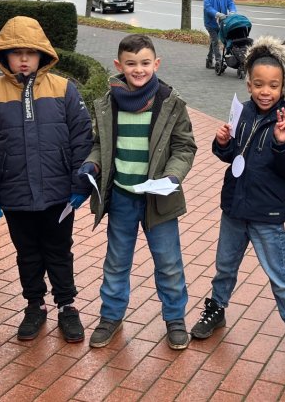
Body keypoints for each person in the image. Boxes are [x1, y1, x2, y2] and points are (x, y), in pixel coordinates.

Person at [191, 35, 285, 373]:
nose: (265, 91)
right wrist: (222, 143)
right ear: (248, 84)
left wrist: (283, 143)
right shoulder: (243, 111)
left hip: (267, 214)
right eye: (258, 84)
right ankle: (216, 309)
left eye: (273, 85)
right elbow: (232, 155)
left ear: (283, 86)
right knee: (224, 267)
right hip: (234, 207)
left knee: (281, 277)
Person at [0, 16, 93, 343]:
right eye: (16, 52)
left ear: (42, 54)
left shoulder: (63, 89)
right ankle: (34, 305)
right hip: (15, 194)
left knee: (59, 251)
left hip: (58, 193)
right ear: (4, 55)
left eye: (31, 52)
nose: (24, 59)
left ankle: (67, 305)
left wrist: (80, 184)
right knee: (27, 253)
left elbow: (82, 139)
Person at [81, 34, 197, 350]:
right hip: (122, 196)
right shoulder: (108, 103)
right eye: (131, 63)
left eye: (145, 63)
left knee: (169, 263)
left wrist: (172, 175)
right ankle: (111, 316)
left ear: (156, 64)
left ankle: (175, 319)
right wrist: (93, 164)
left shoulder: (170, 102)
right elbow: (99, 144)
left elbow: (184, 147)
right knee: (116, 261)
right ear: (119, 65)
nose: (138, 69)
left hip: (159, 199)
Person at [203, 0, 236, 69]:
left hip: (222, 22)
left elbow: (230, 3)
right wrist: (217, 14)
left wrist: (232, 11)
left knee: (214, 41)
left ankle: (209, 60)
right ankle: (218, 60)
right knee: (215, 41)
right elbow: (207, 7)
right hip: (211, 22)